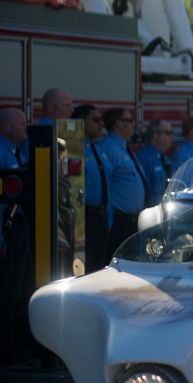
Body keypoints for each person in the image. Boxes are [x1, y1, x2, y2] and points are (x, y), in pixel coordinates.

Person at [0, 108, 31, 365]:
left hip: (19, 229)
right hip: (5, 229)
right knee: (0, 293)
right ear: (6, 128)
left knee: (15, 291)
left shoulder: (16, 153)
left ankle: (10, 343)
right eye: (22, 124)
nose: (26, 127)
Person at [71, 104, 113, 271]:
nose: (100, 124)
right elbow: (73, 188)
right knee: (82, 269)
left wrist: (109, 218)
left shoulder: (98, 148)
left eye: (101, 119)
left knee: (99, 268)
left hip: (102, 218)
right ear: (81, 122)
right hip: (85, 218)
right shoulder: (74, 149)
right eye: (95, 120)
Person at [102, 108, 149, 256]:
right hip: (119, 221)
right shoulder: (109, 148)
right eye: (130, 120)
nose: (133, 125)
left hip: (131, 221)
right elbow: (106, 184)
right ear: (119, 124)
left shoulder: (123, 147)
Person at [136, 120, 174, 206]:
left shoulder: (165, 159)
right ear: (155, 135)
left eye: (172, 132)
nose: (172, 136)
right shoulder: (144, 159)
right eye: (168, 132)